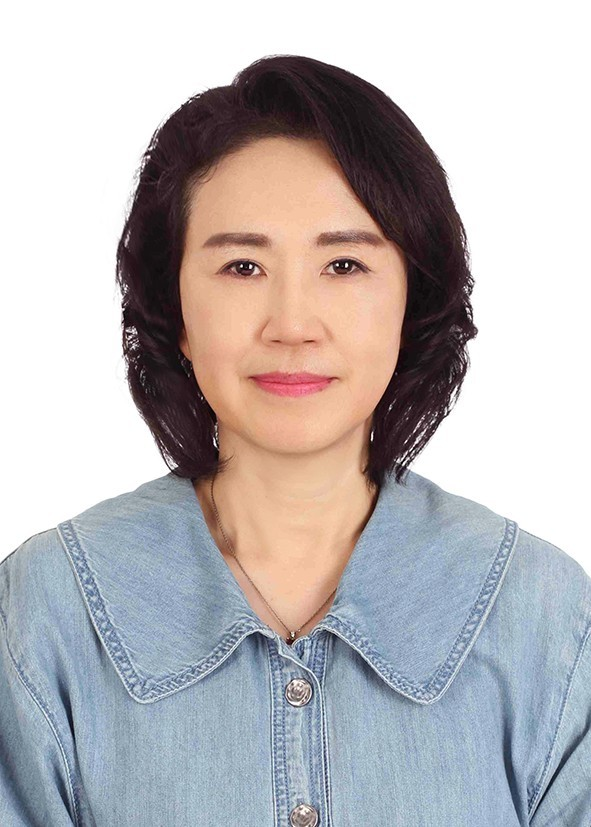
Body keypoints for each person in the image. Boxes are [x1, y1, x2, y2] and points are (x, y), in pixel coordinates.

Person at [1, 54, 589, 826]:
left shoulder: (543, 616)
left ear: (411, 299)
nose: (291, 324)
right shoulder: (47, 609)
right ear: (174, 310)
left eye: (343, 263)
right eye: (242, 266)